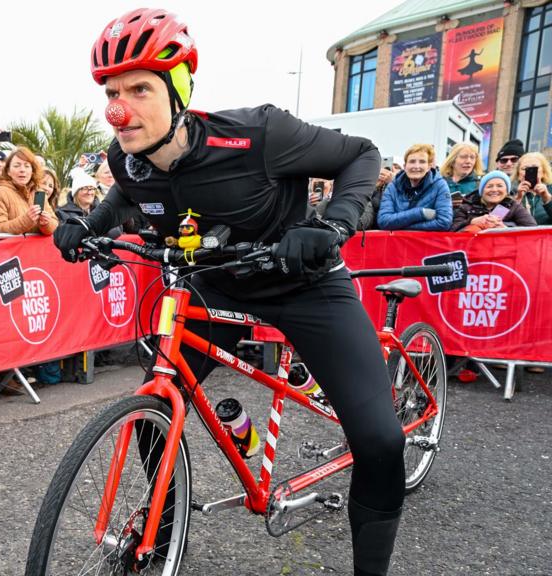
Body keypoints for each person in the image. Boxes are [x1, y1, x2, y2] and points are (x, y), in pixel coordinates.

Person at [53, 10, 406, 574]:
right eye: (112, 91)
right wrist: (88, 225)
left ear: (179, 90)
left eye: (139, 89)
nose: (120, 107)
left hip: (305, 286)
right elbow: (127, 196)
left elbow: (360, 154)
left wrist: (331, 226)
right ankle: (162, 537)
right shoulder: (127, 158)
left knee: (381, 441)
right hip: (216, 288)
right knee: (152, 412)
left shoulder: (259, 135)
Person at [377, 144, 453, 231]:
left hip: (425, 243)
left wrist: (401, 227)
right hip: (397, 243)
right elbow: (383, 221)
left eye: (422, 162)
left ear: (428, 167)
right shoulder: (393, 187)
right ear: (405, 166)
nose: (416, 166)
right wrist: (420, 213)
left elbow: (444, 222)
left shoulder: (440, 186)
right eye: (412, 161)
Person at [0, 147, 58, 235]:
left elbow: (55, 225)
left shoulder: (38, 192)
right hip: (12, 248)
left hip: (38, 248)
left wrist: (47, 223)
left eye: (27, 166)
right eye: (17, 166)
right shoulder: (0, 192)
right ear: (8, 171)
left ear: (32, 171)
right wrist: (26, 220)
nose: (22, 170)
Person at [453, 170, 537, 231]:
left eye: (500, 186)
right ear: (481, 191)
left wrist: (505, 229)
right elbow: (452, 229)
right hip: (473, 251)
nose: (494, 189)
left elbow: (532, 229)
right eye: (489, 186)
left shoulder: (514, 206)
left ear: (506, 191)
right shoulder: (467, 205)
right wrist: (472, 221)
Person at [512, 152, 552, 225]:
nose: (530, 171)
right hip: (519, 236)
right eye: (525, 168)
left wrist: (547, 198)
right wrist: (517, 199)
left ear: (543, 172)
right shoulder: (508, 191)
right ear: (518, 174)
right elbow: (496, 217)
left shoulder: (550, 191)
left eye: (535, 168)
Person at [441, 142, 482, 209]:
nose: (468, 161)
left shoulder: (480, 184)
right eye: (463, 157)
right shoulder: (439, 182)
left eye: (472, 157)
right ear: (452, 160)